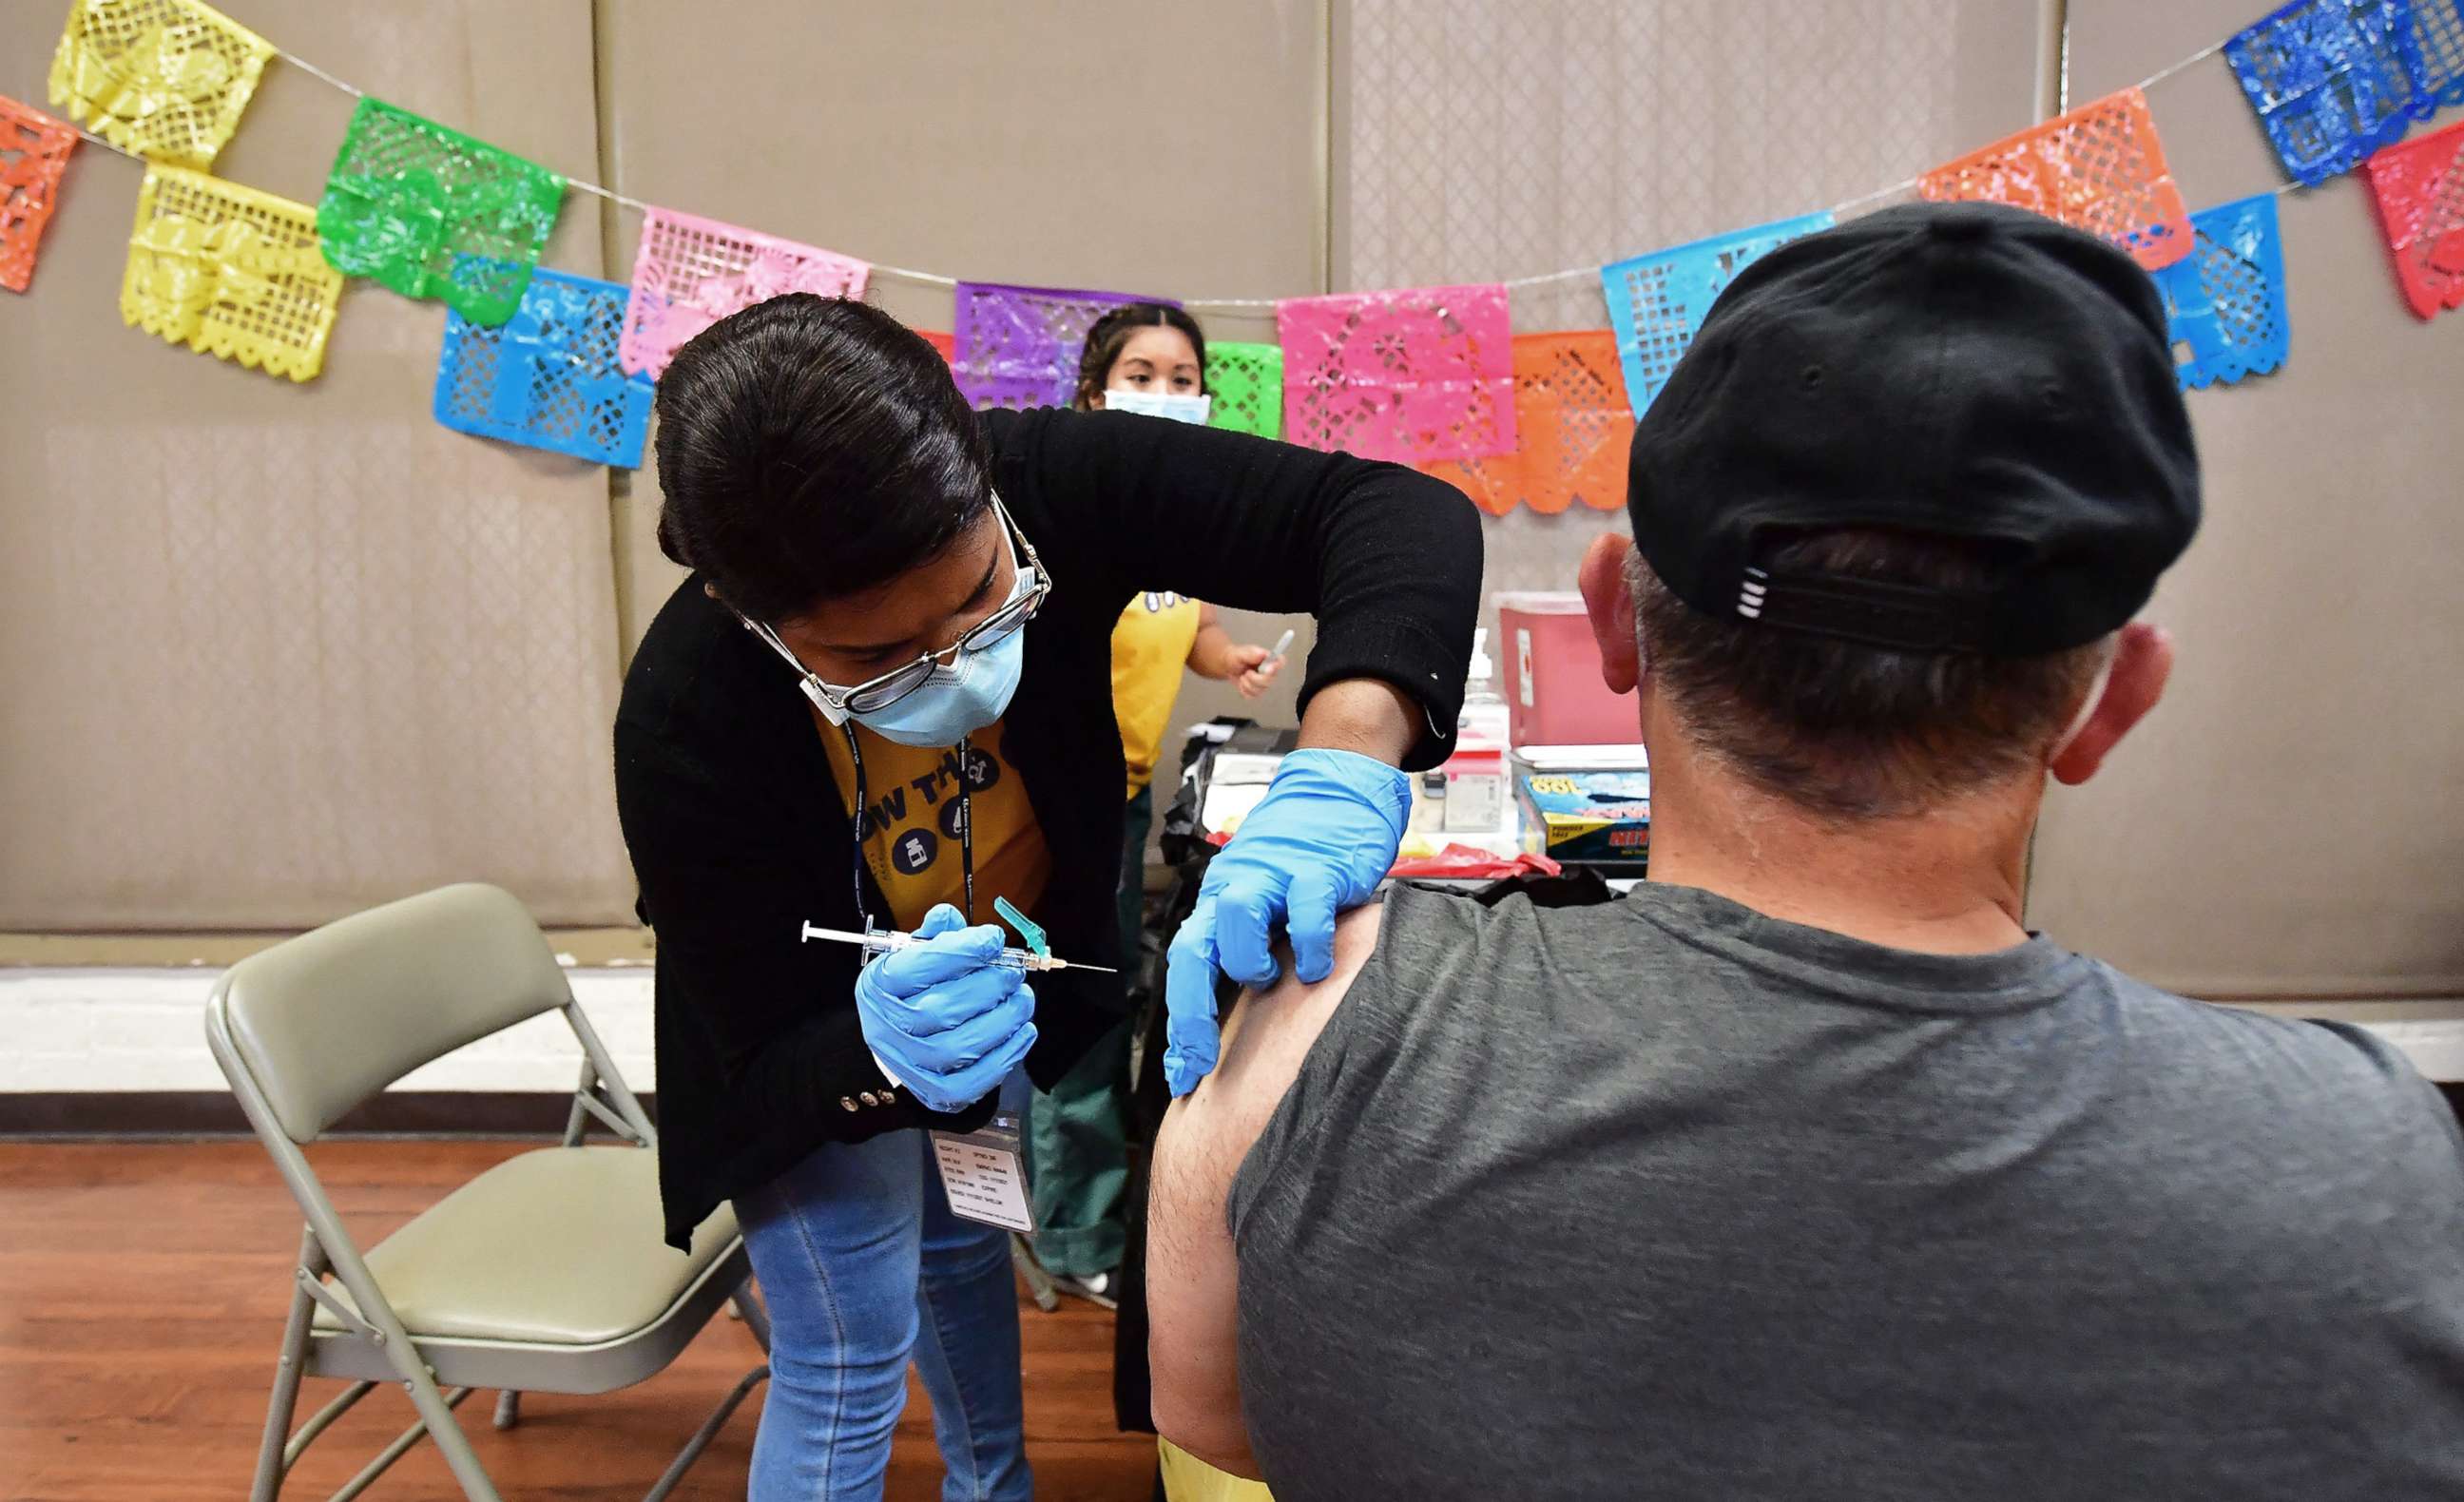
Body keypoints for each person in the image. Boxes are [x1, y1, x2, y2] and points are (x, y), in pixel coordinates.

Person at [1145, 203, 2464, 1499]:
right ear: (2112, 701)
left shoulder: (1312, 1035)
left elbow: (1210, 1416)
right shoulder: (2366, 1178)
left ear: (1613, 624)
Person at [613, 293, 1479, 1501]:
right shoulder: (685, 720)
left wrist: (1341, 758)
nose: (958, 663)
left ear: (980, 472)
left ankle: (993, 1487)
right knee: (851, 1346)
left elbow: (1396, 514)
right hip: (818, 1037)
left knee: (969, 1245)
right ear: (745, 612)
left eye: (981, 596)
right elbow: (753, 1054)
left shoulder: (1048, 479)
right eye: (874, 658)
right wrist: (870, 1047)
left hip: (996, 981)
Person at [1023, 302, 1283, 1307]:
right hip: (1051, 804)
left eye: (1184, 377)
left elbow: (1193, 625)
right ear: (1094, 392)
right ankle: (1075, 1230)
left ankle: (1097, 1196)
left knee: (1108, 993)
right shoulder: (1059, 502)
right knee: (1076, 1007)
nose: (1166, 392)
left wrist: (1233, 659)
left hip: (1125, 796)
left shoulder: (1178, 515)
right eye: (1143, 371)